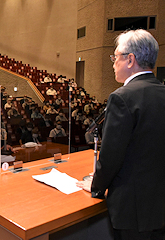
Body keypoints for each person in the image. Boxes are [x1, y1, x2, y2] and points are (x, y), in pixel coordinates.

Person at [76, 30, 165, 239]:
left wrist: (96, 186)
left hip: (133, 210)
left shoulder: (122, 98)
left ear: (130, 60)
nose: (113, 63)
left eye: (116, 57)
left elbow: (110, 156)